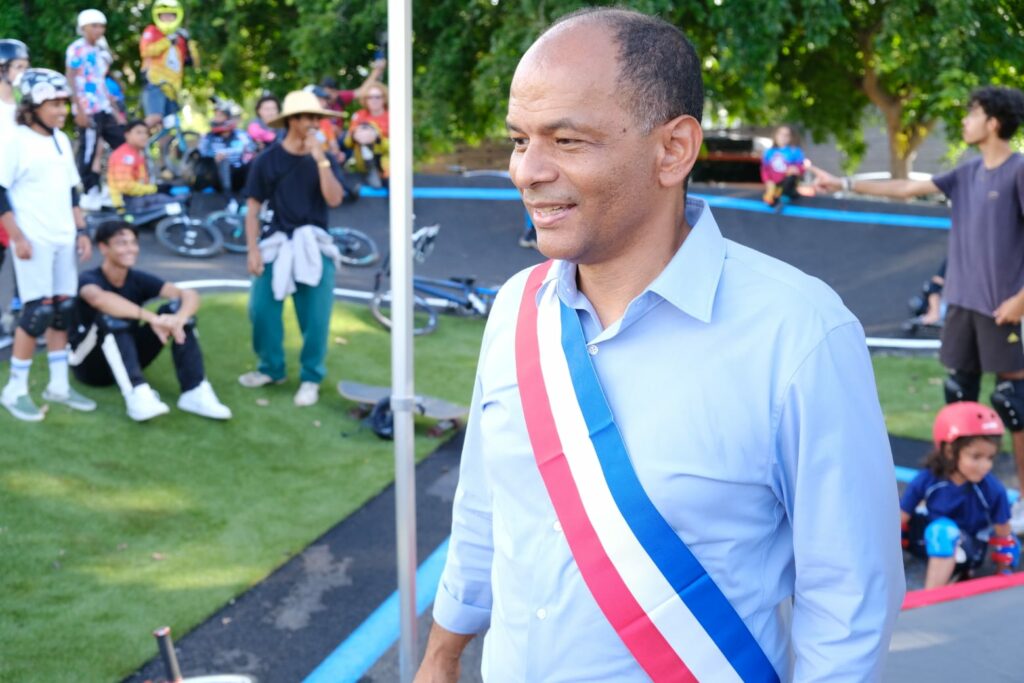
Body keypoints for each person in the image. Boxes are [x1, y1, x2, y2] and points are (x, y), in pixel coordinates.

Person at [416, 9, 904, 682]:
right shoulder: (515, 310)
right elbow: (484, 506)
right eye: (519, 140)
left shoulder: (799, 334)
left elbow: (850, 601)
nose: (526, 171)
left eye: (566, 139)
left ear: (673, 150)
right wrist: (441, 654)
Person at [814, 85, 1024, 533]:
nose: (964, 121)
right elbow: (907, 187)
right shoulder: (967, 172)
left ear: (992, 123)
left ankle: (1022, 499)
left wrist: (1020, 300)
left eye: (972, 113)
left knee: (1014, 404)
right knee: (959, 399)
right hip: (962, 305)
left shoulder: (1018, 171)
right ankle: (957, 494)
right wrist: (842, 183)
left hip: (1002, 309)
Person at [0, 69, 96, 422]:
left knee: (63, 310)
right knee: (36, 313)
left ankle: (58, 385)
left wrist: (81, 230)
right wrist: (17, 237)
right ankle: (15, 389)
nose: (62, 111)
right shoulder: (15, 140)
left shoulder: (60, 140)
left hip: (63, 237)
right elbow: (0, 192)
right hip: (34, 240)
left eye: (64, 104)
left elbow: (71, 190)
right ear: (33, 105)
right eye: (54, 104)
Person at [238, 90, 344, 408]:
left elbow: (334, 199)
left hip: (314, 243)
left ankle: (311, 377)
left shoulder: (324, 157)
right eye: (308, 117)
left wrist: (320, 158)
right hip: (276, 242)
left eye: (316, 117)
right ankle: (271, 368)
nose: (314, 123)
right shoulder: (266, 160)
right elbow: (253, 209)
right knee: (261, 309)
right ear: (292, 121)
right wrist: (252, 250)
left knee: (316, 317)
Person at [69, 220, 231, 422]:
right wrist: (153, 319)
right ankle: (137, 394)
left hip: (127, 357)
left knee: (175, 310)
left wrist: (178, 319)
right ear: (103, 247)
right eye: (121, 243)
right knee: (111, 317)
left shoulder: (137, 278)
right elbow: (98, 299)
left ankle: (194, 390)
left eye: (133, 243)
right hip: (90, 367)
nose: (130, 249)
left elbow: (188, 294)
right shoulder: (88, 279)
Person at [900, 401, 1019, 588]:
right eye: (976, 457)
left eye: (990, 457)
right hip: (929, 540)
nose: (986, 465)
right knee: (888, 518)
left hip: (967, 549)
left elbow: (1004, 534)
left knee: (943, 531)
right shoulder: (927, 479)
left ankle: (931, 597)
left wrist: (1003, 573)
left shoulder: (992, 490)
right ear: (949, 451)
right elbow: (900, 517)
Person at [66, 9, 125, 212]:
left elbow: (100, 81)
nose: (99, 30)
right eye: (94, 26)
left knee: (123, 143)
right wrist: (79, 110)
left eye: (101, 26)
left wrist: (115, 109)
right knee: (89, 150)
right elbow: (71, 78)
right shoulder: (76, 49)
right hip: (87, 109)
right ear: (83, 28)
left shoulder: (100, 50)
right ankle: (89, 191)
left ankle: (113, 188)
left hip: (104, 108)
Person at [139, 0, 195, 130]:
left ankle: (164, 145)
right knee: (155, 118)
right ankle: (135, 137)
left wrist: (188, 42)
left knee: (169, 125)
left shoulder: (181, 37)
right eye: (164, 15)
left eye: (170, 15)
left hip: (172, 88)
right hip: (155, 83)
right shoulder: (152, 31)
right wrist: (167, 41)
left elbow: (189, 61)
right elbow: (145, 51)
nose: (167, 18)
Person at [0, 39, 30, 274]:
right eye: (18, 67)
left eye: (26, 67)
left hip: (21, 189)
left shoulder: (27, 108)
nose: (24, 73)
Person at [106, 119, 179, 213]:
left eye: (146, 133)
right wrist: (155, 189)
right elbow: (126, 186)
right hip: (128, 203)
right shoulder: (124, 155)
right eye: (139, 132)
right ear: (127, 135)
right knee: (177, 202)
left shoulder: (136, 153)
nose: (144, 136)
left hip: (138, 197)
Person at [197, 99, 254, 213]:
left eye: (220, 116)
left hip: (239, 175)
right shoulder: (208, 138)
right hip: (217, 178)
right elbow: (201, 154)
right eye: (215, 115)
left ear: (229, 118)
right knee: (224, 161)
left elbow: (251, 149)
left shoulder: (241, 135)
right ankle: (230, 201)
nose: (216, 119)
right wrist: (213, 158)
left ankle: (249, 200)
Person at [343, 83, 389, 189]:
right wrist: (355, 135)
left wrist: (377, 137)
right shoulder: (359, 115)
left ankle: (378, 171)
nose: (374, 100)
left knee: (371, 128)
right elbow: (347, 142)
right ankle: (371, 168)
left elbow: (398, 146)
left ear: (384, 98)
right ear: (365, 99)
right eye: (370, 97)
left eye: (377, 97)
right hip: (363, 160)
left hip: (386, 161)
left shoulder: (393, 116)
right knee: (365, 129)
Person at [761, 125, 811, 207]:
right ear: (775, 135)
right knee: (771, 198)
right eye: (780, 134)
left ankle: (784, 197)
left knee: (791, 178)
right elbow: (765, 169)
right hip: (774, 184)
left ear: (791, 138)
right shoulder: (769, 152)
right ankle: (777, 196)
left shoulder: (795, 151)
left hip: (788, 183)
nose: (783, 137)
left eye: (786, 135)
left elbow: (802, 167)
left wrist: (797, 169)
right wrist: (768, 181)